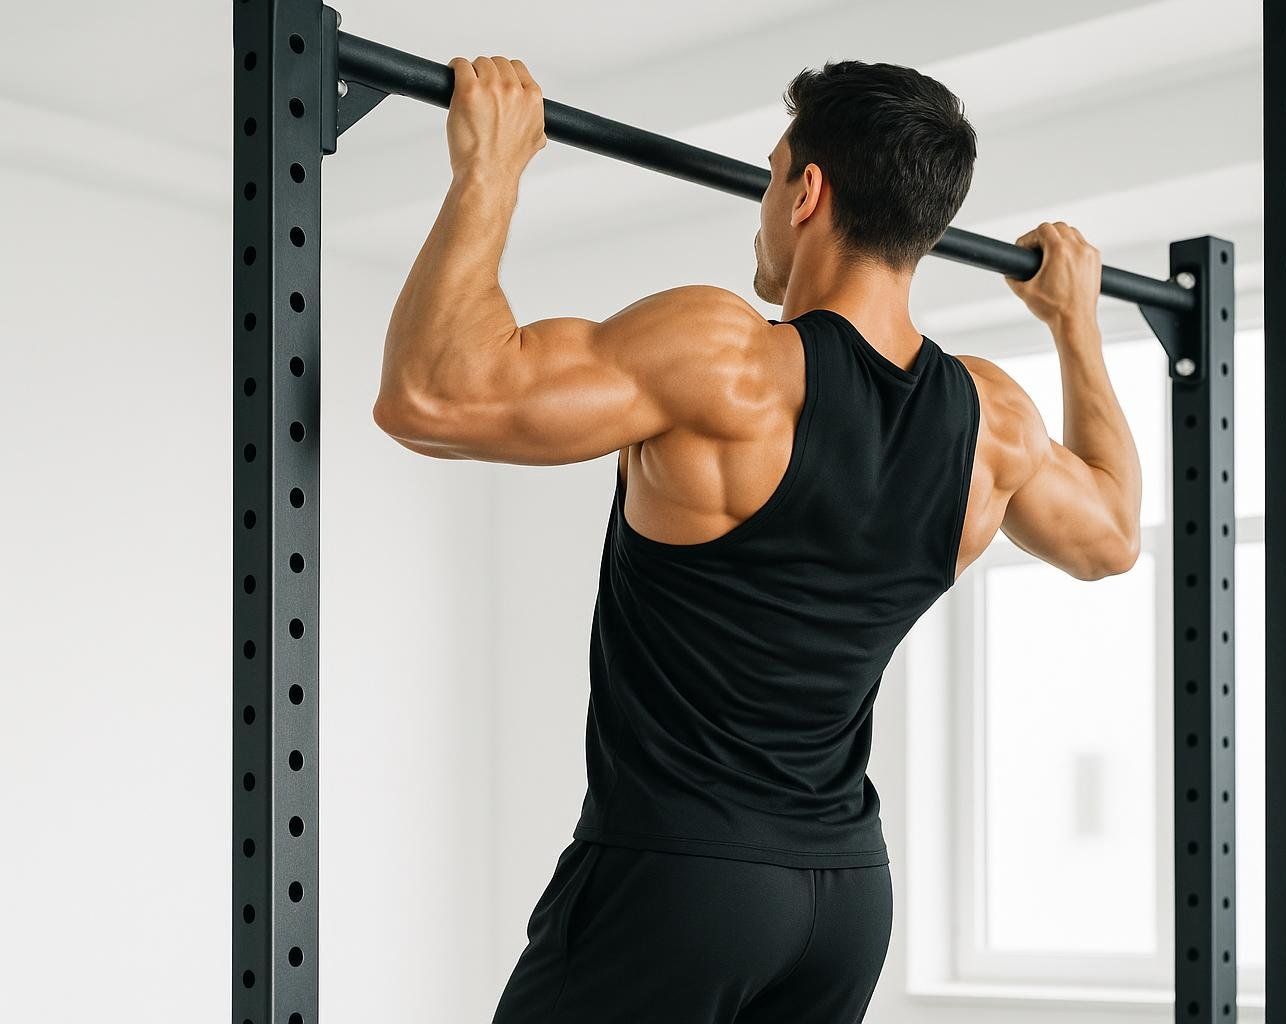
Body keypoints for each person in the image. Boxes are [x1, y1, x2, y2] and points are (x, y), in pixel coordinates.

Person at [372, 53, 1142, 1024]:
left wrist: (491, 169)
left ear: (807, 190)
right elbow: (1111, 534)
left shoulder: (729, 362)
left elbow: (431, 394)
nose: (765, 206)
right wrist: (1076, 327)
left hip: (681, 883)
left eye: (773, 175)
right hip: (845, 899)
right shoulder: (993, 420)